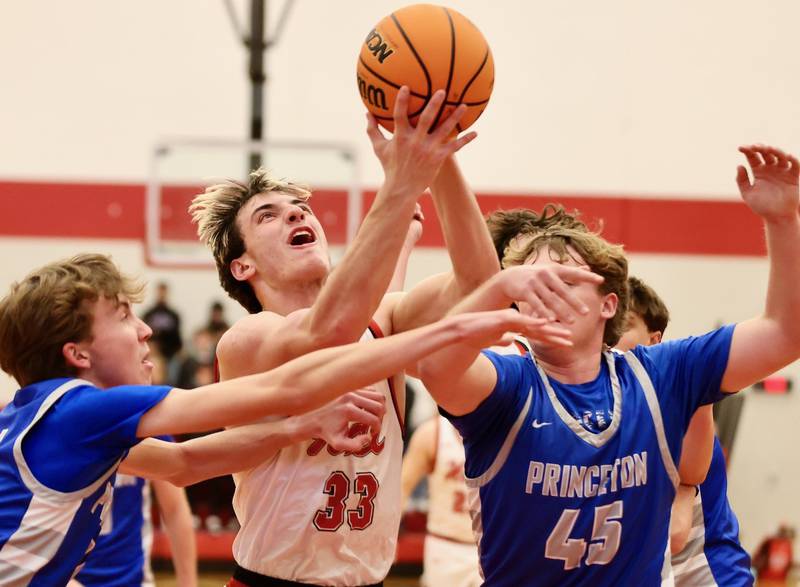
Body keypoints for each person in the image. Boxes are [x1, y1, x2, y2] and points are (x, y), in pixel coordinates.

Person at [190, 87, 595, 587]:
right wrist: (401, 185)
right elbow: (327, 330)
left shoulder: (383, 323)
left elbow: (480, 288)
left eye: (299, 206)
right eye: (267, 215)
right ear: (242, 265)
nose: (296, 213)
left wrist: (439, 159)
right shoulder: (249, 340)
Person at [0, 252, 545, 584]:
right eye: (124, 318)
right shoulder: (85, 410)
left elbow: (185, 461)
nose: (145, 331)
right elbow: (286, 385)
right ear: (77, 354)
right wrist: (448, 332)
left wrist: (299, 427)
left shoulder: (39, 417)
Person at [416, 144, 800, 584]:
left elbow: (786, 333)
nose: (548, 292)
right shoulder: (508, 385)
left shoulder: (660, 375)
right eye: (533, 283)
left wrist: (783, 220)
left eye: (567, 278)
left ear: (608, 304)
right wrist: (498, 285)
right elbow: (436, 367)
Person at [616, 276, 752, 586]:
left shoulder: (679, 401)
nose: (609, 341)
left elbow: (675, 534)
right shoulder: (608, 410)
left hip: (707, 575)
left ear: (654, 340)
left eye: (623, 327)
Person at [72, 449, 198, 587]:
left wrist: (188, 583)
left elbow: (175, 508)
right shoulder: (57, 436)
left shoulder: (143, 434)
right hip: (65, 577)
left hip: (134, 579)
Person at [401, 416, 481, 587]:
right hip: (445, 546)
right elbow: (402, 488)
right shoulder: (432, 432)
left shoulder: (505, 430)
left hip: (491, 549)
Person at [142, 282, 183, 361]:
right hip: (152, 353)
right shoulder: (149, 314)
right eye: (160, 292)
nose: (162, 295)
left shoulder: (174, 315)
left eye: (164, 292)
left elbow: (177, 336)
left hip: (170, 353)